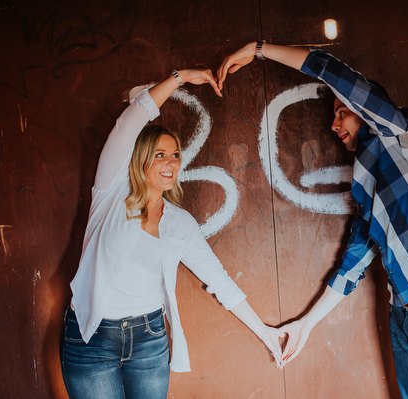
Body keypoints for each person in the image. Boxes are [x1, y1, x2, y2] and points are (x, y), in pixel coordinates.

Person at [218, 42, 408, 398]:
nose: (334, 123)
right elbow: (352, 265)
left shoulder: (396, 130)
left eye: (342, 111)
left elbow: (332, 71)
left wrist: (260, 49)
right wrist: (306, 324)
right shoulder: (365, 186)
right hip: (403, 317)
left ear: (367, 110)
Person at [61, 68, 283, 399]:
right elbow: (131, 119)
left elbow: (220, 281)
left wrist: (265, 332)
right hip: (92, 336)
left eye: (175, 154)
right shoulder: (110, 193)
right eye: (160, 155)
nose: (171, 162)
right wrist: (180, 78)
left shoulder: (180, 223)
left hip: (148, 339)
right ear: (139, 161)